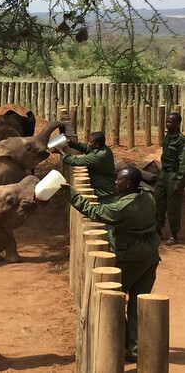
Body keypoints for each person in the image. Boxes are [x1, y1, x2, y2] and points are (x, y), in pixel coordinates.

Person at [63, 166, 160, 363]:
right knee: (138, 302)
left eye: (119, 180)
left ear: (129, 184)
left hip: (131, 258)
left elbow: (94, 211)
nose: (116, 182)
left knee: (112, 300)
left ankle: (117, 345)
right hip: (150, 255)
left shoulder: (122, 208)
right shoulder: (148, 197)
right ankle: (135, 348)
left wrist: (70, 193)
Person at [52, 131, 116, 248]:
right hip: (103, 190)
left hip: (106, 194)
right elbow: (86, 148)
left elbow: (77, 161)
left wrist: (61, 153)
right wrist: (71, 143)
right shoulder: (103, 149)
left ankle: (114, 249)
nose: (88, 143)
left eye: (90, 141)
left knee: (108, 226)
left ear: (97, 144)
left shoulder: (98, 157)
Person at [154, 112, 185, 246]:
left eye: (170, 122)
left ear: (178, 124)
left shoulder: (181, 140)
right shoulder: (167, 137)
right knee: (157, 201)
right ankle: (158, 229)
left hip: (174, 175)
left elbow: (183, 163)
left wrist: (179, 181)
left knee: (173, 206)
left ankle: (174, 234)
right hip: (163, 173)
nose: (167, 124)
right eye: (167, 121)